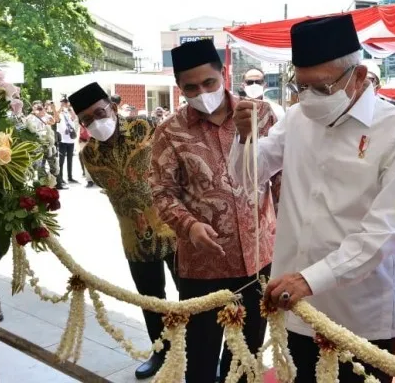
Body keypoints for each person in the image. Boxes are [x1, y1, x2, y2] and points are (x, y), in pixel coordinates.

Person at [231, 14, 395, 383]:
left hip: (358, 314)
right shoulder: (297, 118)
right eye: (300, 86)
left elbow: (387, 229)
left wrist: (312, 278)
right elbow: (246, 176)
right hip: (296, 306)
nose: (309, 98)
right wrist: (244, 138)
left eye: (321, 87)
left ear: (360, 77)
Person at [148, 39, 278, 383]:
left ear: (223, 74)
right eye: (190, 87)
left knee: (246, 356)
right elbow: (162, 192)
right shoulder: (169, 132)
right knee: (200, 358)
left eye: (209, 83)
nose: (201, 92)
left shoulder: (261, 115)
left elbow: (280, 180)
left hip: (257, 259)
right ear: (179, 88)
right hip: (203, 267)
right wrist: (189, 226)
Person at [68, 83, 178, 379]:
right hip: (134, 237)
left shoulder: (149, 127)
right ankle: (161, 352)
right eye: (87, 120)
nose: (95, 122)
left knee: (192, 294)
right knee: (149, 299)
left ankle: (198, 351)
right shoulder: (88, 155)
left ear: (113, 106)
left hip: (175, 229)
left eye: (99, 113)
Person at [56, 98, 79, 188]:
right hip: (62, 139)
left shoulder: (69, 111)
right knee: (61, 160)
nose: (63, 104)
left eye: (65, 103)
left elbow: (73, 117)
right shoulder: (59, 112)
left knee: (70, 159)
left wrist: (69, 108)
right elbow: (56, 116)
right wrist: (61, 108)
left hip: (70, 139)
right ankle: (60, 177)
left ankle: (70, 177)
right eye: (62, 103)